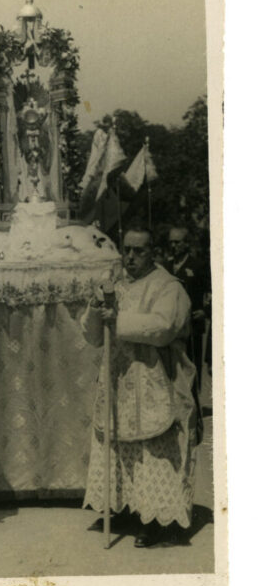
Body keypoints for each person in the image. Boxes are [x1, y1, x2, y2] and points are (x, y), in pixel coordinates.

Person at [81, 222, 197, 547]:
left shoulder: (168, 287)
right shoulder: (115, 285)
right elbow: (92, 337)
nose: (130, 257)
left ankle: (158, 520)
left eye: (139, 251)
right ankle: (127, 508)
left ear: (153, 252)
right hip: (119, 380)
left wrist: (117, 320)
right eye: (127, 250)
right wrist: (95, 309)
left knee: (154, 451)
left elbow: (163, 327)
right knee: (120, 445)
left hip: (155, 378)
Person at [164, 226, 210, 389]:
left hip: (192, 327)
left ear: (186, 243)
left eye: (177, 242)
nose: (173, 246)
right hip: (170, 326)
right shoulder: (166, 267)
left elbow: (214, 290)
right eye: (171, 242)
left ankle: (194, 402)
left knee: (191, 367)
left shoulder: (198, 265)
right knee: (170, 369)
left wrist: (206, 311)